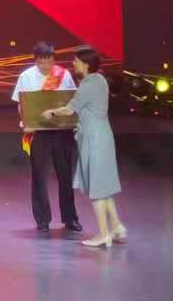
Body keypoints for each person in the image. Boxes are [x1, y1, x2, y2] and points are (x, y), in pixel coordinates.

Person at [41, 46, 127, 249]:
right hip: (101, 135)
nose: (73, 64)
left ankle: (103, 234)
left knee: (96, 187)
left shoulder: (88, 84)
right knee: (103, 186)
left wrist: (50, 112)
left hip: (93, 138)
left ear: (86, 64)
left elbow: (69, 109)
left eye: (76, 61)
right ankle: (116, 227)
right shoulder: (100, 79)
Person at [12, 42, 81, 233]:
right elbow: (21, 103)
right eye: (41, 63)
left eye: (49, 62)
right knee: (39, 178)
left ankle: (70, 219)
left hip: (62, 131)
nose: (46, 66)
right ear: (35, 60)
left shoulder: (63, 75)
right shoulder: (26, 76)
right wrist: (26, 121)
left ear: (54, 59)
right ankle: (42, 219)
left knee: (65, 176)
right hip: (38, 132)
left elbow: (71, 101)